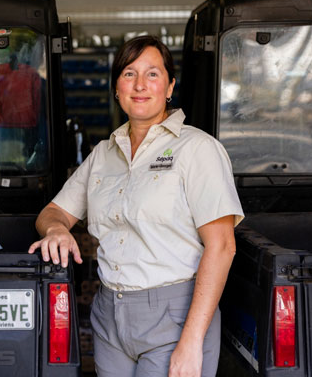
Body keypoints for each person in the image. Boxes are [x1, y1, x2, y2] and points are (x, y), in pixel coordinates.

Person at [28, 35, 244, 377]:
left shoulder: (198, 150)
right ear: (117, 87)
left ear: (170, 86)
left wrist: (190, 342)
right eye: (129, 74)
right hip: (110, 315)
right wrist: (56, 229)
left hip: (175, 316)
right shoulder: (103, 154)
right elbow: (53, 212)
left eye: (153, 74)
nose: (140, 85)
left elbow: (222, 246)